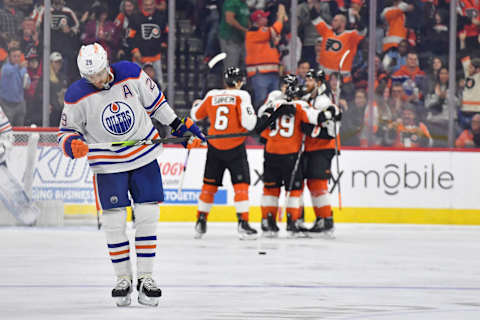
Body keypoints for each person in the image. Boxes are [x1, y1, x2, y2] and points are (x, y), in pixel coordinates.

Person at [57, 43, 206, 307]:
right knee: (114, 222)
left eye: (100, 72)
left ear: (107, 64)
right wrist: (72, 144)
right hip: (107, 164)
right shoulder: (76, 94)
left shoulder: (130, 72)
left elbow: (157, 104)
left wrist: (178, 126)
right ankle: (122, 279)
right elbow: (66, 133)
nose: (98, 79)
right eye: (91, 76)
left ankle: (146, 277)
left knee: (148, 216)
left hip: (143, 156)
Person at [259, 80, 340, 238]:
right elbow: (319, 118)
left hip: (270, 152)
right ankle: (292, 223)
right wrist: (332, 112)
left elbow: (260, 121)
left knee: (270, 189)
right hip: (290, 153)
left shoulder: (272, 104)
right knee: (294, 190)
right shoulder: (301, 106)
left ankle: (267, 223)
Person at [190, 67, 259, 240]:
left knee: (209, 185)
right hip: (235, 147)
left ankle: (200, 221)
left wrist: (197, 104)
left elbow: (196, 115)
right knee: (241, 186)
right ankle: (243, 223)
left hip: (214, 147)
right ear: (239, 82)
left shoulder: (212, 95)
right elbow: (249, 124)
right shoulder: (242, 96)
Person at [301, 68, 340, 237]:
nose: (306, 83)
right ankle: (321, 219)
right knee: (313, 185)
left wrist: (310, 131)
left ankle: (326, 220)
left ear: (318, 83)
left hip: (323, 148)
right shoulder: (310, 99)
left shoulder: (323, 101)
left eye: (309, 80)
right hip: (312, 148)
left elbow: (332, 130)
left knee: (318, 185)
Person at [245, 6, 286, 109]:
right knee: (262, 101)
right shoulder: (253, 32)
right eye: (264, 17)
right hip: (260, 73)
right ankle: (260, 124)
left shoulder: (263, 33)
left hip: (272, 72)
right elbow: (275, 30)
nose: (267, 19)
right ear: (258, 20)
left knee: (275, 101)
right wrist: (280, 16)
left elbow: (276, 36)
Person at [0, 47, 30, 126]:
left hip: (20, 103)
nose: (17, 58)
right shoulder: (5, 68)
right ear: (9, 57)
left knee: (20, 129)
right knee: (7, 128)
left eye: (18, 56)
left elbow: (27, 82)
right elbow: (12, 71)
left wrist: (27, 83)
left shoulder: (23, 69)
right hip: (7, 104)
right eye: (14, 56)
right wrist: (19, 67)